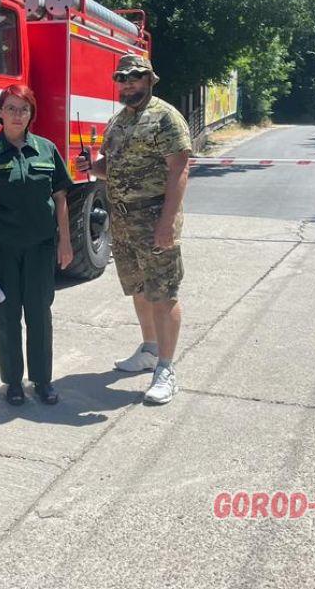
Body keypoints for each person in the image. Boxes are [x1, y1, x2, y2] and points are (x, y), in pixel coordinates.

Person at [77, 53, 191, 405]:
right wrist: (92, 167)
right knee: (139, 289)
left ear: (149, 80)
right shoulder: (117, 122)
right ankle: (149, 349)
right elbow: (111, 170)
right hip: (123, 222)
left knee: (163, 292)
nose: (128, 83)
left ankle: (166, 369)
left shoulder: (166, 117)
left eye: (135, 77)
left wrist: (167, 223)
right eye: (123, 78)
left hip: (155, 219)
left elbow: (180, 171)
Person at [0, 85, 74, 406]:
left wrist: (65, 242)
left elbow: (60, 199)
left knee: (40, 312)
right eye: (10, 108)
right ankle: (13, 382)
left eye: (23, 109)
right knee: (7, 313)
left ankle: (42, 380)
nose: (17, 115)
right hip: (1, 249)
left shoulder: (46, 150)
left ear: (31, 114)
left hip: (40, 247)